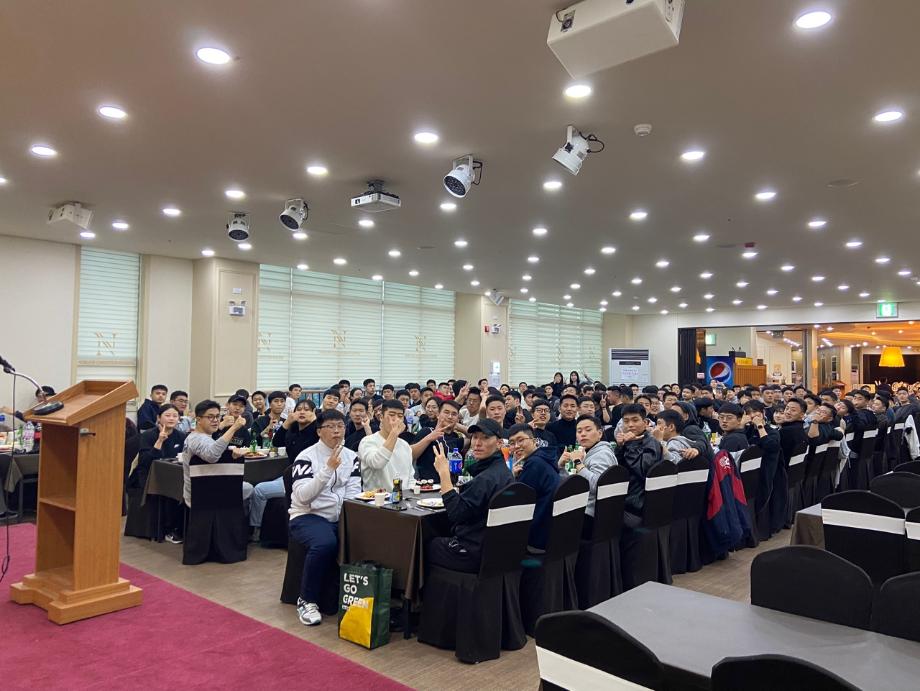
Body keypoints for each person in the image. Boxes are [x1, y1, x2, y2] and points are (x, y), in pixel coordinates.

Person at [289, 409, 361, 626]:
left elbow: (353, 492)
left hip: (339, 516)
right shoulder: (306, 457)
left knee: (369, 537)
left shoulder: (351, 456)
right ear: (319, 431)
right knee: (325, 543)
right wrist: (328, 469)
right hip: (307, 516)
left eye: (340, 426)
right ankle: (306, 600)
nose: (337, 431)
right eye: (331, 427)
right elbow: (302, 496)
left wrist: (349, 520)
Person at [428, 419, 513, 572]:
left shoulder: (487, 478)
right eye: (475, 437)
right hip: (498, 550)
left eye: (485, 438)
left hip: (474, 553)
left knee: (426, 543)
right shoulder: (503, 471)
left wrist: (444, 474)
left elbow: (456, 514)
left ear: (499, 443)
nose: (477, 443)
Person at [181, 400, 251, 552]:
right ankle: (240, 534)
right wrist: (234, 427)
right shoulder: (197, 439)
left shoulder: (200, 436)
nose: (215, 420)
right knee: (248, 488)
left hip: (205, 487)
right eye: (210, 417)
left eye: (217, 416)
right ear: (198, 419)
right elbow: (212, 455)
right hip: (202, 494)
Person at [130, 403, 187, 542]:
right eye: (167, 415)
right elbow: (144, 461)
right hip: (150, 475)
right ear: (158, 418)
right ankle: (163, 529)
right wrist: (160, 441)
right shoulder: (148, 435)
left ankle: (176, 528)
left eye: (175, 416)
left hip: (172, 474)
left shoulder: (181, 436)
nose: (171, 418)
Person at [559, 415, 617, 537]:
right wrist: (561, 466)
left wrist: (578, 463)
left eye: (588, 430)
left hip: (591, 515)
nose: (583, 434)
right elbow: (569, 482)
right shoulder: (586, 452)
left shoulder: (602, 454)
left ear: (600, 433)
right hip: (581, 507)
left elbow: (598, 485)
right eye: (579, 431)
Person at [508, 423, 560, 551]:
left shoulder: (534, 464)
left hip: (537, 535)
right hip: (552, 529)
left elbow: (515, 500)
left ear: (534, 441)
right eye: (512, 443)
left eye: (521, 440)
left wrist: (510, 477)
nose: (516, 446)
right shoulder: (545, 457)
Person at [358, 400, 415, 492]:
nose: (396, 420)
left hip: (404, 497)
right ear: (381, 417)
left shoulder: (405, 445)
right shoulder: (368, 441)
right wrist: (394, 434)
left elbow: (410, 477)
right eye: (392, 415)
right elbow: (377, 463)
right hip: (376, 498)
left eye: (400, 416)